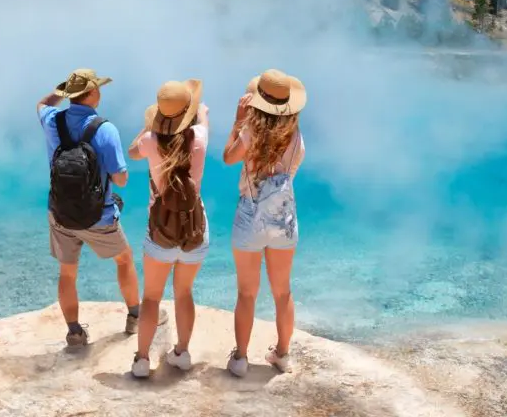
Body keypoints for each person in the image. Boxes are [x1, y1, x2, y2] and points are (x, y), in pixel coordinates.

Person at [37, 68, 165, 348]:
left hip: (60, 211)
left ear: (71, 94)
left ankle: (74, 333)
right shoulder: (104, 128)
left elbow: (42, 104)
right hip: (98, 216)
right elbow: (119, 177)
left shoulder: (52, 120)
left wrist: (61, 92)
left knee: (67, 272)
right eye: (97, 88)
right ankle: (135, 316)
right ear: (93, 93)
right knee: (124, 259)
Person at [222, 68, 307, 377]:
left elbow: (229, 158)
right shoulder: (296, 136)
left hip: (250, 214)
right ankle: (283, 354)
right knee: (282, 291)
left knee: (247, 292)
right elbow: (291, 170)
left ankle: (241, 358)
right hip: (283, 216)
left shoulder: (250, 132)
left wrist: (238, 120)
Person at [126, 80, 211, 379]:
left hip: (160, 231)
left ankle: (141, 360)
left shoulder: (150, 140)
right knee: (184, 292)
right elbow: (203, 116)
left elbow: (132, 152)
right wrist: (197, 110)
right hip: (194, 229)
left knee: (151, 297)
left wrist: (148, 124)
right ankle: (182, 353)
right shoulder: (200, 137)